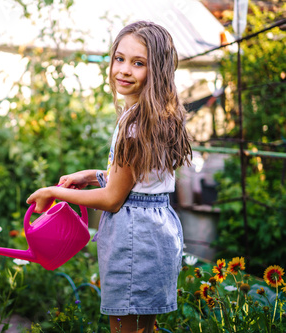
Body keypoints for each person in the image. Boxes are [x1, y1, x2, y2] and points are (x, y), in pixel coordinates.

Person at [26, 21, 192, 333]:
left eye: (138, 63)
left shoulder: (134, 126)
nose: (125, 70)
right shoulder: (152, 118)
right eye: (120, 58)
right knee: (145, 328)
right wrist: (90, 175)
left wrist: (54, 192)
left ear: (157, 70)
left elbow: (113, 199)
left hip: (134, 238)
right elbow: (137, 179)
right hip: (156, 231)